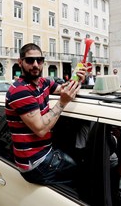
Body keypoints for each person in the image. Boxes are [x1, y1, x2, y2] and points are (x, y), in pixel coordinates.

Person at [5, 43, 86, 185]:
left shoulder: (43, 83)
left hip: (45, 152)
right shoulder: (20, 91)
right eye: (30, 61)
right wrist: (62, 102)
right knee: (84, 175)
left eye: (39, 60)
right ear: (20, 62)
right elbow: (41, 129)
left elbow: (64, 89)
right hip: (36, 163)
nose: (36, 64)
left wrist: (78, 79)